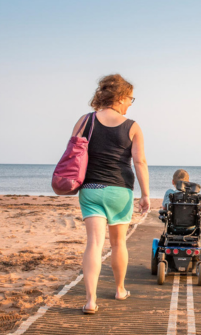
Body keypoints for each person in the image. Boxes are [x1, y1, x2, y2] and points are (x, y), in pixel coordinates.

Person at [70, 74, 150, 314]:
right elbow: (140, 161)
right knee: (118, 243)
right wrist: (146, 194)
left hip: (91, 189)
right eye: (130, 98)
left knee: (94, 244)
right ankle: (119, 289)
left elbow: (73, 152)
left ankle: (91, 301)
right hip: (120, 191)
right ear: (121, 97)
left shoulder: (85, 121)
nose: (130, 104)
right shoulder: (132, 126)